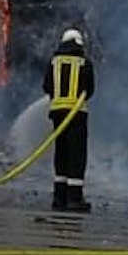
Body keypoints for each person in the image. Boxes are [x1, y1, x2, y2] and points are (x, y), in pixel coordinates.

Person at [43, 27, 95, 213]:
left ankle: (59, 198)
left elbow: (46, 86)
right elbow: (90, 90)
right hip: (77, 114)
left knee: (61, 154)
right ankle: (74, 199)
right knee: (76, 156)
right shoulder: (84, 63)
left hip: (57, 113)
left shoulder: (54, 62)